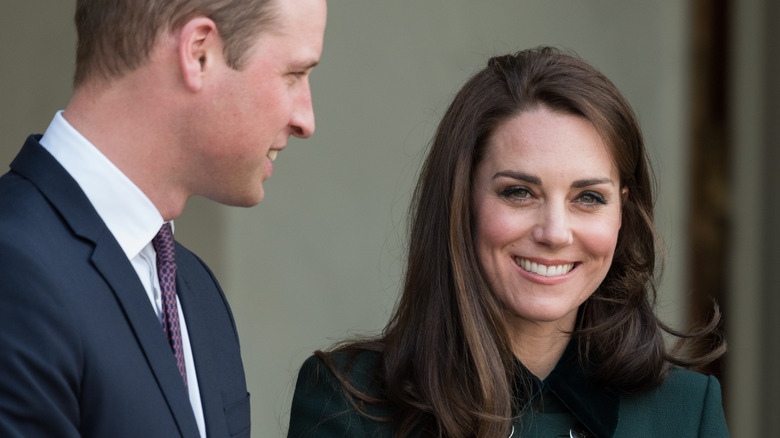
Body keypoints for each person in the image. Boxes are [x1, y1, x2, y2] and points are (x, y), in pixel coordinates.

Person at [287, 47, 728, 438]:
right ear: (463, 203)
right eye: (519, 192)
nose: (554, 232)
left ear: (622, 216)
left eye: (588, 198)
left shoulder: (686, 412)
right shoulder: (349, 404)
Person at [0, 0, 326, 437]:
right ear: (199, 53)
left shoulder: (196, 291)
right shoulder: (14, 269)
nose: (306, 119)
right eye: (294, 74)